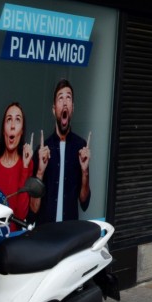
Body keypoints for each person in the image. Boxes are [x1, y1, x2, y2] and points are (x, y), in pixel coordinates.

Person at [31, 79, 91, 223]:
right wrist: (40, 171)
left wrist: (85, 171)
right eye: (60, 98)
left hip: (69, 234)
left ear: (72, 108)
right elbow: (33, 208)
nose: (65, 102)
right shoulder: (42, 150)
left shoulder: (81, 147)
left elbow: (84, 202)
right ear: (54, 109)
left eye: (68, 98)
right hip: (46, 233)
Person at [0, 102, 34, 229]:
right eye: (9, 120)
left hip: (14, 242)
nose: (12, 126)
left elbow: (21, 215)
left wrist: (25, 168)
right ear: (3, 129)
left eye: (17, 120)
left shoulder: (27, 164)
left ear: (21, 131)